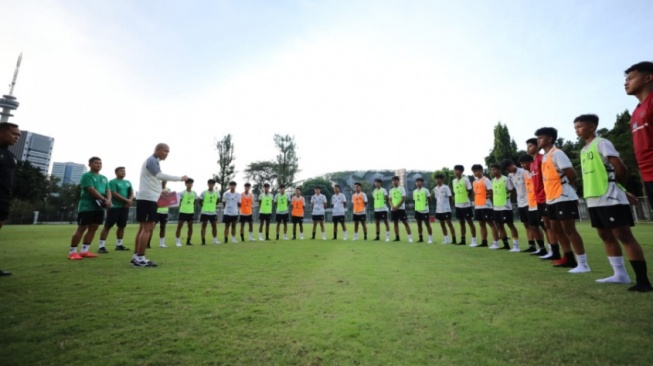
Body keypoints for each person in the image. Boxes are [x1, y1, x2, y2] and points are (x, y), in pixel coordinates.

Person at [575, 114, 651, 291]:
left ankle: (643, 281)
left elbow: (620, 168)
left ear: (592, 127)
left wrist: (620, 190)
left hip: (610, 197)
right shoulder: (584, 150)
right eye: (575, 127)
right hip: (594, 199)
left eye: (580, 126)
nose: (577, 130)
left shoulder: (601, 142)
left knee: (623, 235)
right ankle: (620, 274)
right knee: (605, 236)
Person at [536, 127, 589, 273]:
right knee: (556, 229)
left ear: (550, 139)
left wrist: (569, 189)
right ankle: (569, 258)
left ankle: (583, 263)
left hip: (563, 196)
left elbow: (571, 174)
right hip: (551, 197)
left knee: (569, 230)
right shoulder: (545, 157)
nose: (538, 140)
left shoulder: (557, 153)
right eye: (538, 138)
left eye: (541, 137)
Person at [133, 143, 187, 267]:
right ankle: (140, 259)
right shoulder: (152, 160)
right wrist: (180, 178)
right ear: (157, 149)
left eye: (168, 152)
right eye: (164, 151)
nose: (166, 154)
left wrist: (160, 191)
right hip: (148, 198)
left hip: (148, 197)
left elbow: (152, 179)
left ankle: (136, 257)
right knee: (147, 228)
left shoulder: (154, 161)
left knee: (143, 228)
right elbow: (159, 176)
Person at [68, 157, 112, 260]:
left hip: (99, 208)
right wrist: (104, 200)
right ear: (90, 164)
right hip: (87, 207)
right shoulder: (86, 176)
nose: (99, 165)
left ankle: (84, 250)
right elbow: (91, 189)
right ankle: (72, 252)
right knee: (82, 228)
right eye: (96, 163)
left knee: (94, 228)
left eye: (100, 163)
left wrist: (108, 200)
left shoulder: (104, 178)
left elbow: (108, 190)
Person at [624, 61, 653, 199]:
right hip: (647, 174)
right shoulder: (636, 112)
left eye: (630, 78)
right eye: (625, 80)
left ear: (648, 78)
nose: (626, 83)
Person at [526, 138, 554, 258]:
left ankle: (553, 250)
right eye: (527, 146)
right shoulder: (531, 163)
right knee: (544, 226)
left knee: (549, 226)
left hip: (546, 197)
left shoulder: (542, 159)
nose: (528, 148)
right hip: (537, 199)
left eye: (531, 146)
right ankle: (548, 250)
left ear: (537, 146)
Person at [0, 122, 20, 276]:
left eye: (19, 135)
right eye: (14, 134)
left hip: (3, 199)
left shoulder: (11, 156)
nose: (17, 137)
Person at [517, 155, 548, 256]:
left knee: (545, 227)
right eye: (521, 164)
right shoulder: (525, 173)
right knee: (533, 226)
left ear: (531, 162)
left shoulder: (537, 171)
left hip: (539, 202)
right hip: (530, 204)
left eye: (525, 163)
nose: (523, 165)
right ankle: (542, 248)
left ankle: (552, 248)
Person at [98, 166, 133, 253]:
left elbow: (131, 192)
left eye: (124, 171)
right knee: (108, 226)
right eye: (121, 171)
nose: (123, 172)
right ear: (116, 172)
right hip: (114, 207)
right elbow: (113, 193)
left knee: (122, 226)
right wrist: (126, 200)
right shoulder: (112, 182)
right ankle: (101, 246)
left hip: (124, 208)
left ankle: (119, 245)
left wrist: (130, 201)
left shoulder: (128, 182)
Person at [490, 163, 519, 251]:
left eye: (495, 169)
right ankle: (506, 245)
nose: (493, 171)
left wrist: (510, 200)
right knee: (500, 225)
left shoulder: (505, 179)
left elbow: (512, 190)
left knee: (510, 225)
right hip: (496, 207)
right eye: (492, 170)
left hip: (505, 206)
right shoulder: (493, 181)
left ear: (499, 170)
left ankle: (516, 246)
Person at [472, 164, 499, 248]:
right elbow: (474, 193)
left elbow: (490, 191)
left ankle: (495, 243)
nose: (475, 173)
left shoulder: (486, 180)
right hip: (478, 205)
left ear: (481, 171)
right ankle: (484, 241)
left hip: (486, 205)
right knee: (481, 224)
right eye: (473, 172)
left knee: (491, 223)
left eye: (476, 171)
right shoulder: (474, 182)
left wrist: (492, 203)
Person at [452, 165, 477, 246]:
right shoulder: (454, 181)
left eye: (458, 170)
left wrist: (467, 199)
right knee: (461, 223)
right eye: (455, 170)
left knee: (470, 222)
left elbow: (470, 190)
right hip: (458, 204)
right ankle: (463, 240)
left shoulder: (465, 179)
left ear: (461, 171)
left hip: (466, 205)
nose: (456, 172)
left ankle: (474, 240)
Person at [433, 174, 457, 245]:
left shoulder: (446, 187)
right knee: (442, 224)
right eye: (436, 179)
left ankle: (454, 239)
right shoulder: (435, 189)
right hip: (439, 209)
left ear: (442, 180)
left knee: (449, 224)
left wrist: (448, 205)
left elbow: (450, 197)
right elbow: (436, 198)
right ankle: (446, 239)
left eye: (439, 179)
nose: (438, 180)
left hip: (446, 209)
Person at [388, 176, 413, 242]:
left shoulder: (402, 189)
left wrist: (397, 207)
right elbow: (390, 200)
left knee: (405, 222)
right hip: (393, 209)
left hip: (401, 209)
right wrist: (392, 206)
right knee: (395, 223)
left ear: (398, 181)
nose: (394, 182)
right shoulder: (391, 190)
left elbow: (403, 198)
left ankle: (410, 238)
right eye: (393, 181)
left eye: (395, 180)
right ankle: (397, 237)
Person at [175, 178, 196, 246]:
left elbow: (194, 202)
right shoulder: (182, 193)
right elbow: (179, 202)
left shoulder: (194, 193)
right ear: (186, 184)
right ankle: (178, 241)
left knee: (190, 227)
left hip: (190, 212)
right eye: (188, 183)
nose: (190, 184)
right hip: (183, 211)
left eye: (191, 183)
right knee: (179, 226)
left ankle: (188, 241)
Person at [198, 179, 220, 245]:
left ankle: (215, 240)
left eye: (212, 184)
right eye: (210, 183)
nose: (211, 185)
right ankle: (203, 240)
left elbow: (217, 200)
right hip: (205, 212)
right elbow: (200, 201)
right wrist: (203, 206)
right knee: (204, 226)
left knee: (214, 226)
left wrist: (212, 206)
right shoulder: (204, 192)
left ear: (214, 184)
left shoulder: (217, 192)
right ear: (207, 184)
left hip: (213, 212)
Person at [413, 177, 432, 243]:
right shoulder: (414, 191)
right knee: (419, 225)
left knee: (427, 224)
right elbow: (415, 200)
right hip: (417, 210)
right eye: (417, 182)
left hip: (425, 210)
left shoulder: (425, 190)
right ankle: (420, 238)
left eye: (419, 181)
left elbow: (429, 199)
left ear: (422, 183)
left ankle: (430, 238)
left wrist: (426, 205)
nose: (418, 183)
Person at [155, 181, 171, 248]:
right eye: (162, 180)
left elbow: (170, 199)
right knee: (151, 227)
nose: (164, 182)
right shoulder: (156, 188)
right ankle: (147, 243)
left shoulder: (168, 189)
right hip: (156, 211)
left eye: (165, 181)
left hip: (164, 211)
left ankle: (162, 243)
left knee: (163, 227)